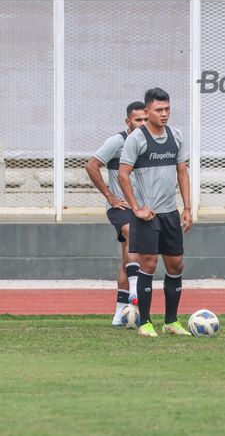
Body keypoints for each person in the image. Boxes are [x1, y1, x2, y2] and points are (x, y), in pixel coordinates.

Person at [118, 87, 193, 337]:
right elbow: (123, 175)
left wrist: (188, 208)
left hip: (170, 213)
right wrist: (136, 208)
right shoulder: (136, 139)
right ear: (147, 110)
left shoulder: (176, 136)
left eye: (167, 109)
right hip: (147, 215)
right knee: (148, 264)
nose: (164, 114)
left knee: (176, 264)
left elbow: (182, 172)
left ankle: (171, 321)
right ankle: (145, 323)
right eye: (159, 110)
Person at [85, 101, 146, 326]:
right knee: (132, 235)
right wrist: (110, 196)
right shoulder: (117, 142)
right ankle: (133, 291)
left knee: (126, 259)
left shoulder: (151, 142)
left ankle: (119, 313)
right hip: (121, 207)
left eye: (145, 120)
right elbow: (92, 165)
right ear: (127, 121)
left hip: (144, 208)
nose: (142, 124)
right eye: (137, 120)